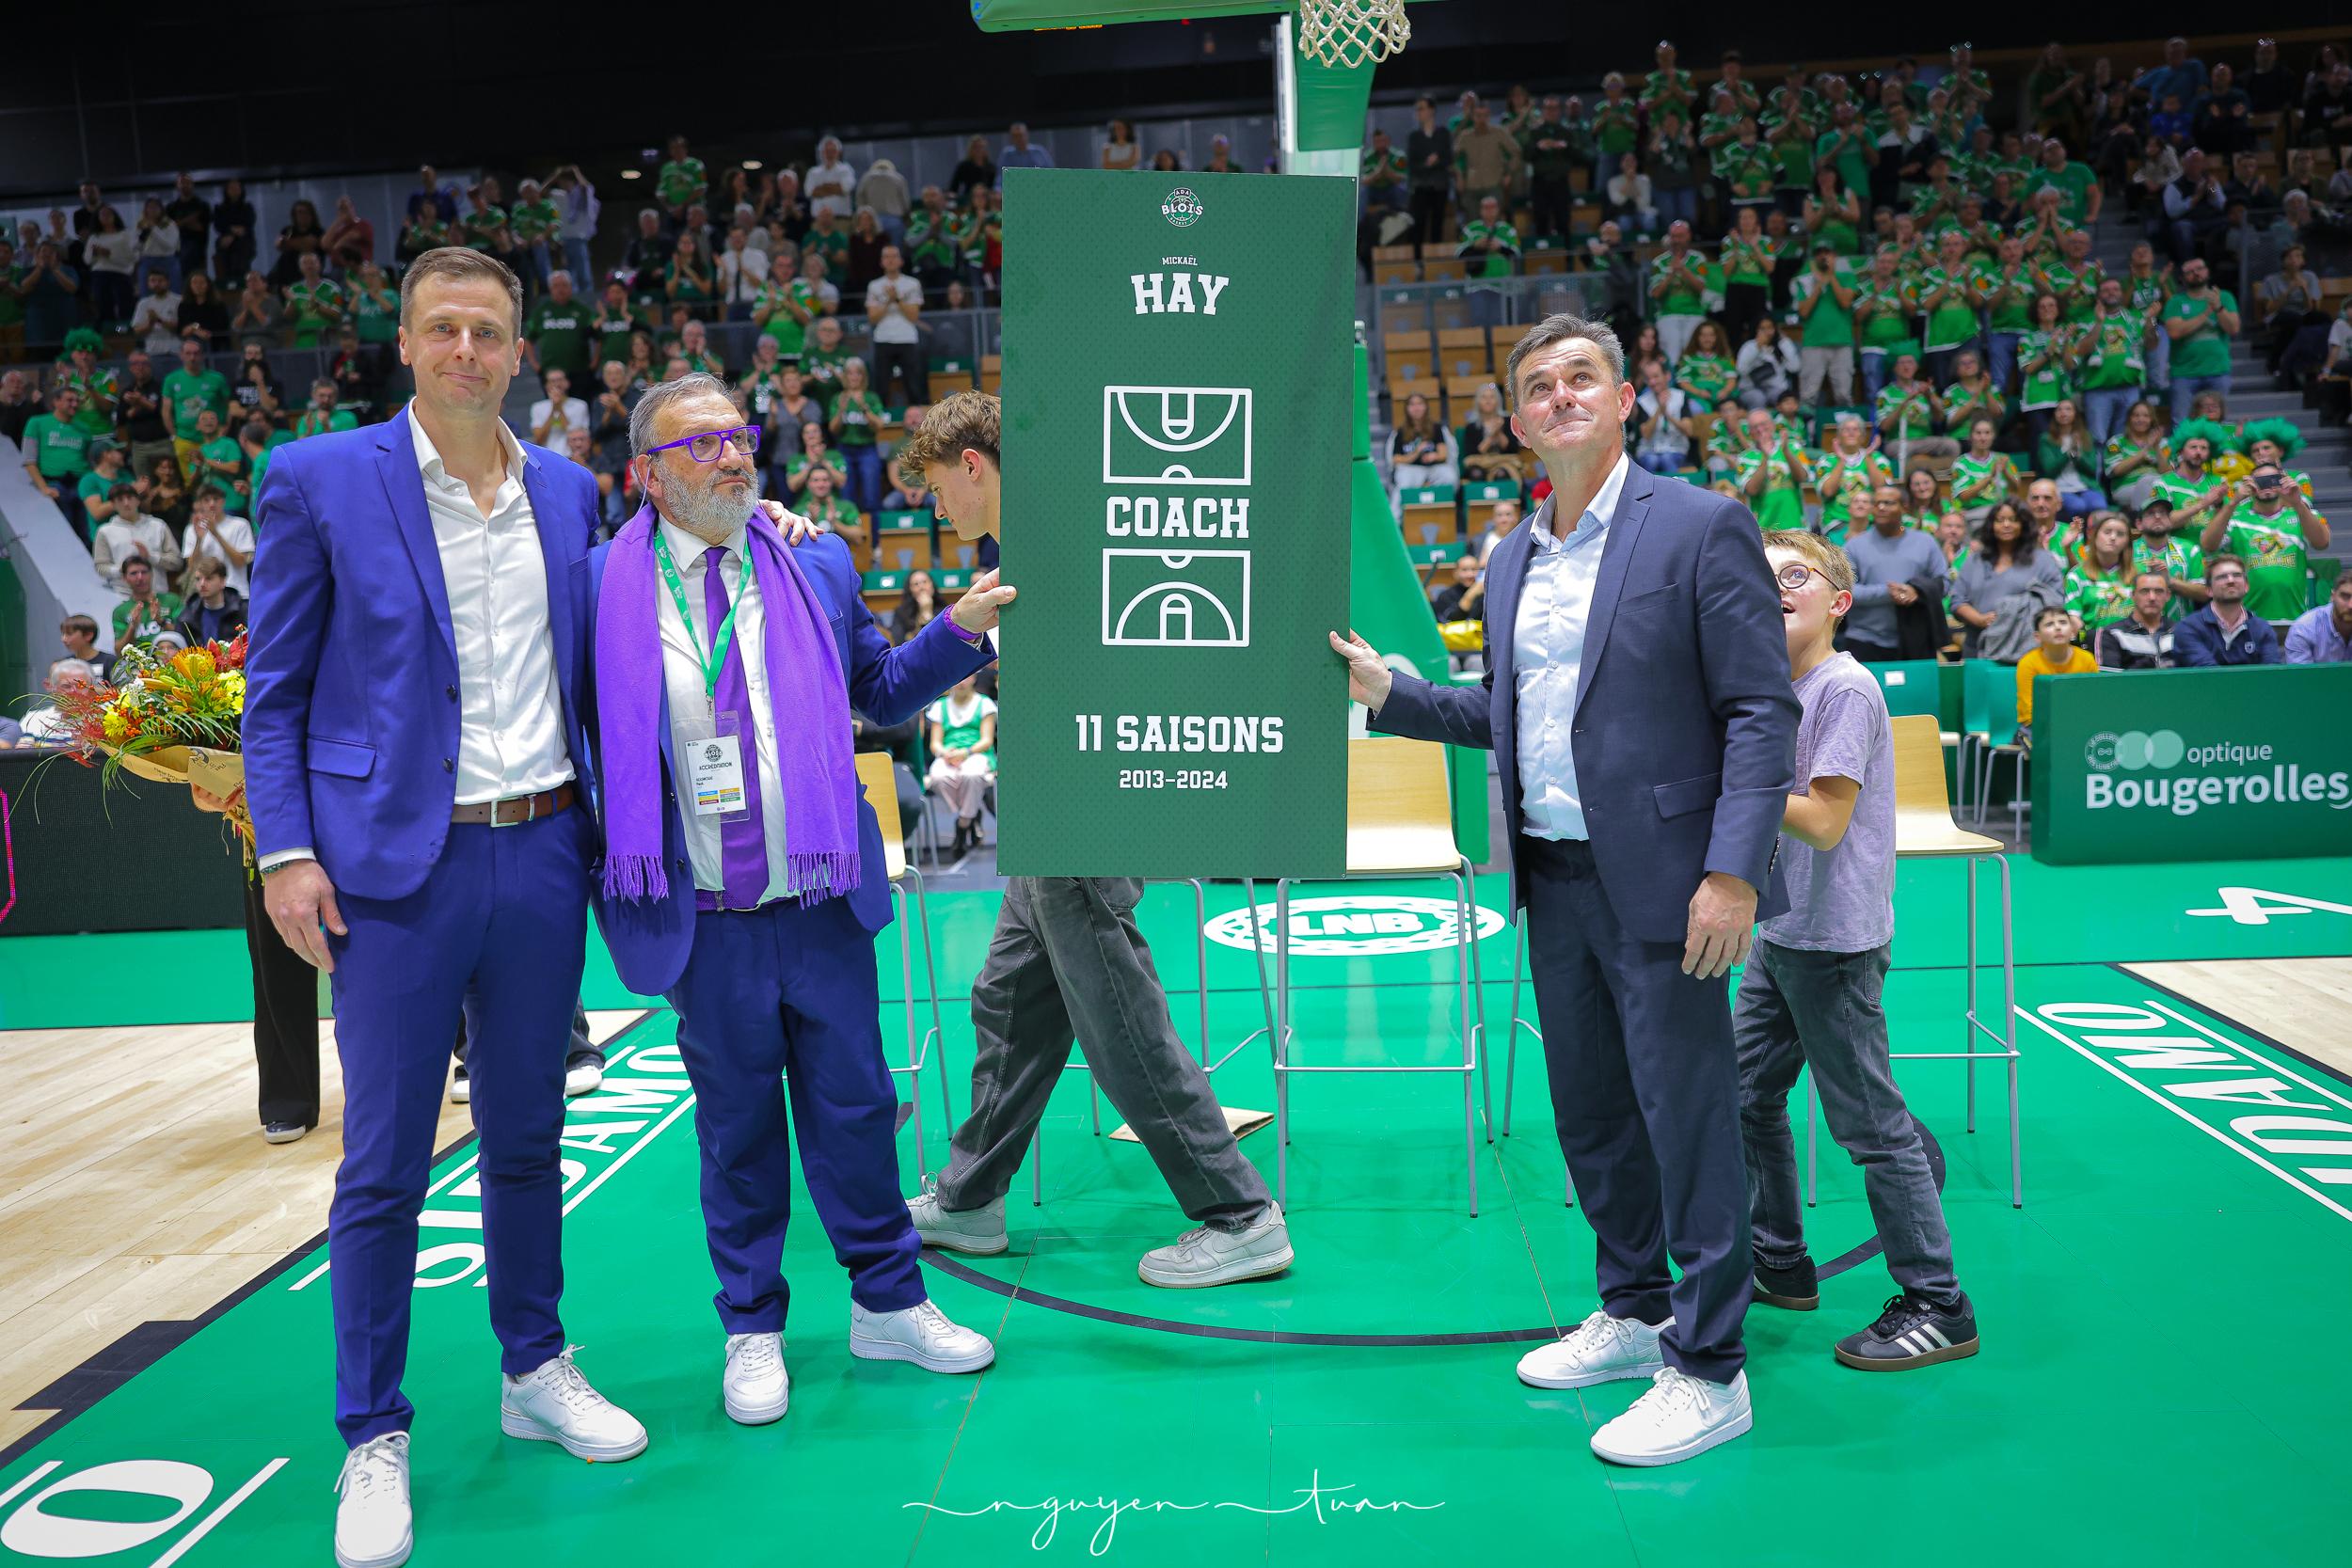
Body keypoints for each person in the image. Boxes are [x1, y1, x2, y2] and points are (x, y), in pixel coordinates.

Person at [1330, 314, 1797, 1466]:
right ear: (1517, 421)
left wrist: (1733, 869)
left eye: (1579, 376)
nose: (1558, 396)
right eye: (1536, 386)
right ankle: (1635, 1309)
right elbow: (1501, 716)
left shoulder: (1698, 525)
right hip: (1553, 872)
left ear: (1625, 396)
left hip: (1672, 880)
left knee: (1686, 1117)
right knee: (1590, 1113)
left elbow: (1757, 709)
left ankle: (1712, 1365)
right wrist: (1388, 687)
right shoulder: (1511, 555)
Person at [242, 248, 644, 1568]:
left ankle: (535, 1365)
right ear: (403, 344)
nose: (467, 348)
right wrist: (287, 849)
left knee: (530, 1134)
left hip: (539, 853)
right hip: (391, 873)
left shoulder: (571, 490)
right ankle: (374, 1429)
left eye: (489, 330)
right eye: (443, 328)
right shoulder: (317, 478)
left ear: (520, 350)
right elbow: (276, 693)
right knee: (384, 1167)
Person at [585, 373, 1006, 1433]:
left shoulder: (813, 555)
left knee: (858, 1109)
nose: (732, 457)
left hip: (819, 897)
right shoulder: (596, 583)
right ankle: (752, 1325)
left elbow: (878, 689)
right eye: (702, 445)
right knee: (737, 1132)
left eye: (741, 436)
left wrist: (955, 631)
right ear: (647, 476)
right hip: (707, 918)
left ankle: (889, 1301)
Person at [892, 391, 1295, 1291]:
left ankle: (1239, 1213)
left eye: (933, 487)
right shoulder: (1009, 552)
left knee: (1122, 1024)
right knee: (1007, 1000)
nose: (933, 508)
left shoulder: (1060, 543)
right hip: (1043, 812)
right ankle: (969, 1199)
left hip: (1079, 810)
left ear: (972, 465)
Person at [1738, 530, 1979, 1368]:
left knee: (1872, 1127)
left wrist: (1733, 775)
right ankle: (1778, 1258)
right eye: (1759, 578)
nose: (1775, 589)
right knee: (1745, 1090)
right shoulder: (1774, 683)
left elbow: (1825, 818)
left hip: (1832, 941)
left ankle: (1939, 1302)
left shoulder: (1844, 689)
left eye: (1795, 576)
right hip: (1781, 929)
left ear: (1839, 601)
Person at [2199, 460, 2331, 627]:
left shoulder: (2302, 514)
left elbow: (2322, 543)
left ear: (2283, 481)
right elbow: (2208, 545)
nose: (2267, 486)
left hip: (2295, 619)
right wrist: (2233, 501)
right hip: (2246, 622)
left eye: (2273, 480)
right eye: (2260, 481)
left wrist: (2297, 502)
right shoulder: (2235, 519)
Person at [1841, 484, 1951, 662]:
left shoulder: (1925, 542)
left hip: (1916, 640)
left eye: (1889, 503)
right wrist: (1887, 592)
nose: (1881, 508)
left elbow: (1944, 582)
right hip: (1865, 640)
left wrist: (1918, 591)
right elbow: (1844, 591)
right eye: (1877, 503)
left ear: (1905, 507)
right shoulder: (1854, 546)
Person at [1949, 500, 2063, 659]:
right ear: (1991, 525)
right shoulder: (1975, 560)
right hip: (1977, 647)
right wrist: (1979, 619)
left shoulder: (2042, 561)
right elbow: (1957, 600)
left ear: (2023, 524)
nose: (2006, 525)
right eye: (2000, 520)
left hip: (2025, 651)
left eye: (2013, 520)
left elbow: (2054, 602)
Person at [924, 673, 997, 856]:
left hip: (976, 753)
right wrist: (945, 754)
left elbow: (987, 740)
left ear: (973, 678)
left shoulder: (985, 703)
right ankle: (971, 815)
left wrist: (966, 753)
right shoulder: (940, 707)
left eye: (966, 677)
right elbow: (935, 743)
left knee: (971, 775)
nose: (961, 682)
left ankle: (963, 823)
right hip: (948, 756)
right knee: (938, 777)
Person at [2173, 555, 2282, 667]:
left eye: (2237, 575)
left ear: (2246, 586)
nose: (2231, 581)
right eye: (2222, 577)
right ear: (2209, 590)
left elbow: (2271, 676)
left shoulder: (2262, 628)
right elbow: (2209, 676)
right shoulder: (2189, 628)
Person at [2013, 606, 2098, 747]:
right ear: (2037, 637)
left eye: (2063, 622)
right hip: (2038, 726)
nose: (2058, 628)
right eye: (2049, 624)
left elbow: (2094, 700)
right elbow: (2028, 714)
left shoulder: (2087, 659)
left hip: (2079, 724)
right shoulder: (2028, 663)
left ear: (2072, 632)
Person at [2097, 569, 2181, 669]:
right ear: (2133, 596)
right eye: (2145, 591)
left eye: (2158, 591)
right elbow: (2109, 681)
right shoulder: (2112, 633)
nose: (2152, 597)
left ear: (2168, 596)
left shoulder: (2180, 631)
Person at [2284, 575, 2352, 664]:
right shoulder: (2304, 629)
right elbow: (2301, 677)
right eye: (2345, 596)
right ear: (2333, 596)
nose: (2351, 606)